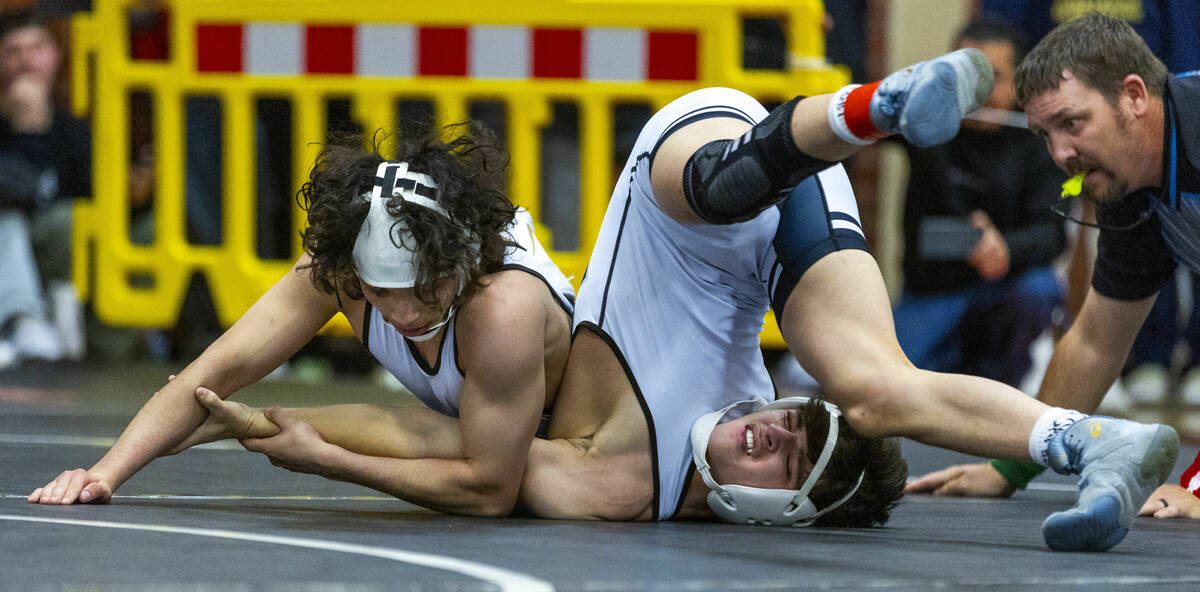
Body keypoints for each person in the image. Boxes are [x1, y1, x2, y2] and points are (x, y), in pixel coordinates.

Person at [121, 48, 1176, 547]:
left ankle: (1097, 443)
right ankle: (879, 107)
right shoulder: (730, 412)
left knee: (864, 378)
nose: (770, 422)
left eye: (776, 454)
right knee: (854, 375)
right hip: (737, 181)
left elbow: (444, 455)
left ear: (766, 508)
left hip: (710, 208)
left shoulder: (614, 483)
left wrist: (288, 439)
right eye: (791, 422)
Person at [28, 121, 577, 517]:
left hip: (580, 449)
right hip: (484, 430)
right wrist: (102, 474)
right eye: (381, 293)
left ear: (459, 258)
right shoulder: (337, 268)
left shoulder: (502, 305)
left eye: (427, 288)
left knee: (507, 461)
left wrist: (332, 461)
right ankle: (240, 420)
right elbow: (216, 368)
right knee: (446, 435)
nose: (406, 313)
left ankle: (251, 422)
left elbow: (489, 491)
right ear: (350, 272)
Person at [905, 13, 1198, 518]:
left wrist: (1196, 486)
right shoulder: (1133, 188)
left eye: (1072, 123)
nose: (1061, 153)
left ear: (1134, 95)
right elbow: (1094, 343)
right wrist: (1010, 467)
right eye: (1044, 133)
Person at [892, 19, 1066, 387]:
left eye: (994, 77)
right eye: (967, 77)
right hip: (933, 290)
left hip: (1006, 287)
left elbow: (1051, 236)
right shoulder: (927, 124)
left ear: (1019, 80)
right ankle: (956, 366)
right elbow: (862, 116)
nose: (980, 90)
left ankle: (1004, 377)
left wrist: (1004, 247)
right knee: (890, 383)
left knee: (1042, 288)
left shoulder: (1039, 140)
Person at [0, 10, 89, 366]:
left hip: (47, 246)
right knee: (6, 219)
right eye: (12, 50)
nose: (26, 60)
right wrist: (26, 130)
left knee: (73, 220)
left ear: (56, 56)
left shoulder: (74, 127)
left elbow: (85, 192)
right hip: (7, 235)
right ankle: (21, 320)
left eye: (37, 47)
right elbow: (13, 195)